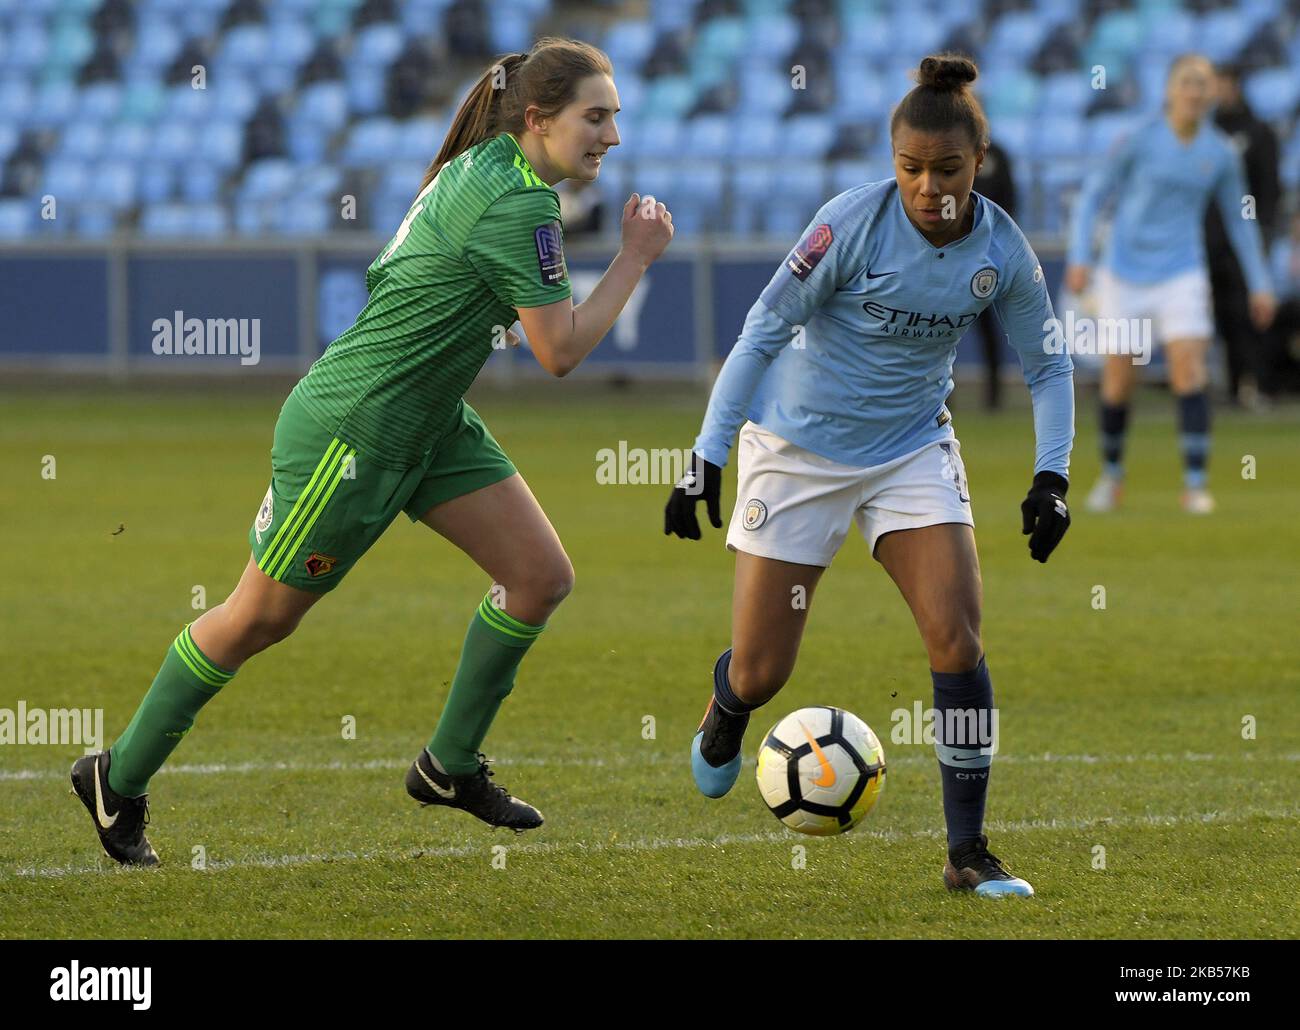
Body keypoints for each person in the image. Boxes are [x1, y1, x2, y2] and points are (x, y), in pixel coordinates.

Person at [72, 37, 674, 866]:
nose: (611, 136)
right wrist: (636, 256)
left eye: (615, 118)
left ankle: (449, 766)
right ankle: (117, 775)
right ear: (538, 119)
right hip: (354, 434)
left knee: (540, 577)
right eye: (595, 117)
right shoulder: (519, 203)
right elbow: (559, 351)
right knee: (258, 619)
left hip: (427, 423)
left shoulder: (490, 169)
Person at [664, 54, 1074, 898]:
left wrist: (1051, 477)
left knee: (957, 637)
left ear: (978, 165)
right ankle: (728, 705)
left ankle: (968, 852)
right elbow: (760, 331)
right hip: (796, 452)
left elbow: (1048, 367)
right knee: (764, 671)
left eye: (948, 171)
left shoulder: (1001, 247)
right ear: (893, 164)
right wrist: (706, 456)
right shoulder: (847, 224)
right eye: (911, 169)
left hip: (911, 451)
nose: (930, 187)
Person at [1066, 53, 1275, 515]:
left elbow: (1241, 220)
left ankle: (1195, 484)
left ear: (1212, 91)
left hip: (1183, 271)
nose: (1196, 91)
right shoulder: (1138, 139)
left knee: (1190, 371)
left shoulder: (1219, 151)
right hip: (1124, 272)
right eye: (1187, 82)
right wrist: (1081, 256)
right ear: (1169, 89)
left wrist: (1260, 282)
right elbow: (1093, 197)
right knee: (1119, 382)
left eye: (1203, 83)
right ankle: (1112, 476)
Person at [1204, 62, 1280, 407]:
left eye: (1222, 82)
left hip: (1246, 235)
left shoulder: (1259, 132)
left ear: (1234, 84)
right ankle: (1233, 386)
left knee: (1251, 310)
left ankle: (1259, 384)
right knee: (1221, 312)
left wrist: (1263, 229)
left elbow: (1268, 187)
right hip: (1211, 237)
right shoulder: (1206, 131)